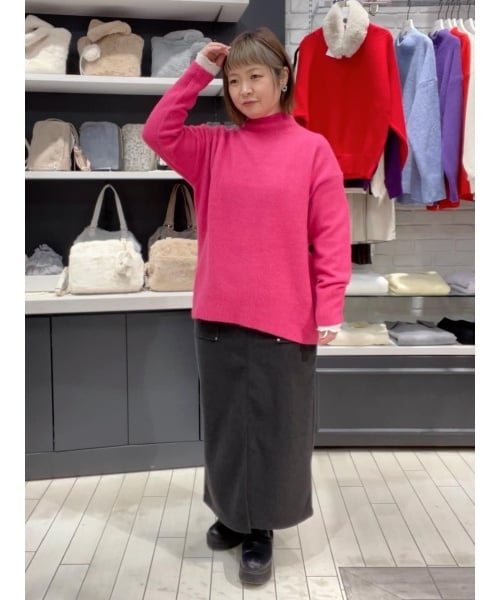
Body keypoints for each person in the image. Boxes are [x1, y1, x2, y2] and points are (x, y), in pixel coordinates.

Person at [143, 27, 351, 586]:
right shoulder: (214, 147)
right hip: (218, 312)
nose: (244, 90)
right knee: (226, 425)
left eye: (255, 76)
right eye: (234, 80)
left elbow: (332, 234)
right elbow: (157, 131)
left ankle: (263, 527)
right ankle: (232, 515)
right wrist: (198, 71)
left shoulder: (312, 149)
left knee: (278, 427)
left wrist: (330, 304)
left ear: (282, 79)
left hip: (286, 315)